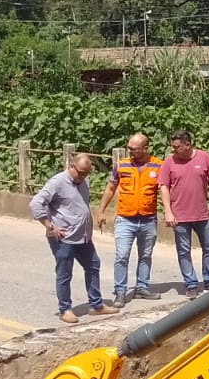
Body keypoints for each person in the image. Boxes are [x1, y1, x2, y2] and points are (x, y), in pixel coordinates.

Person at [30, 152, 113, 324]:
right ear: (71, 166)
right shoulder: (58, 182)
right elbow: (36, 203)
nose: (82, 176)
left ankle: (96, 305)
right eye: (80, 172)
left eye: (86, 173)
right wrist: (49, 226)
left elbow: (81, 205)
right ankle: (65, 309)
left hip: (83, 237)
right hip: (64, 238)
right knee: (64, 273)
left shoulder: (83, 181)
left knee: (93, 265)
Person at [95, 132, 162, 307]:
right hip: (125, 219)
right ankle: (120, 291)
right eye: (129, 148)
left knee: (146, 255)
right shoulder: (121, 165)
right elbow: (110, 188)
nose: (130, 152)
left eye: (134, 149)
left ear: (145, 149)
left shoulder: (158, 166)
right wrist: (101, 210)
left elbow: (167, 191)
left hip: (148, 219)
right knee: (122, 256)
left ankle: (142, 287)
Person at [159, 128, 209, 297]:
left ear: (188, 145)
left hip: (202, 214)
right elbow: (163, 187)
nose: (173, 150)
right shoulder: (169, 162)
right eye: (172, 146)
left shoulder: (204, 157)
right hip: (179, 216)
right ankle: (190, 283)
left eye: (177, 146)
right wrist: (168, 211)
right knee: (183, 251)